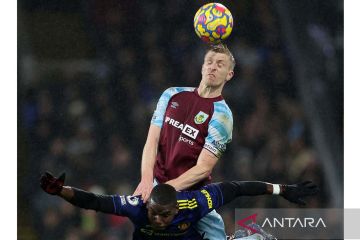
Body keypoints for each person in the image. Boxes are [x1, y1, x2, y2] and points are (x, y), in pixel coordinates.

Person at [134, 43, 235, 239]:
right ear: (202, 67)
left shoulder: (222, 115)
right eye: (209, 62)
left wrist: (166, 191)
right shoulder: (172, 94)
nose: (213, 67)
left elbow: (203, 168)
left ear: (229, 74)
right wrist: (146, 180)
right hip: (158, 186)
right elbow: (152, 140)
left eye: (220, 64)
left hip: (193, 196)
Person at [40, 171, 319, 240]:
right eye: (154, 214)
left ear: (176, 210)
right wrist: (62, 191)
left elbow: (237, 189)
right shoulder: (137, 206)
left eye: (165, 215)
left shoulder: (195, 203)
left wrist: (283, 189)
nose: (158, 220)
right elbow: (95, 203)